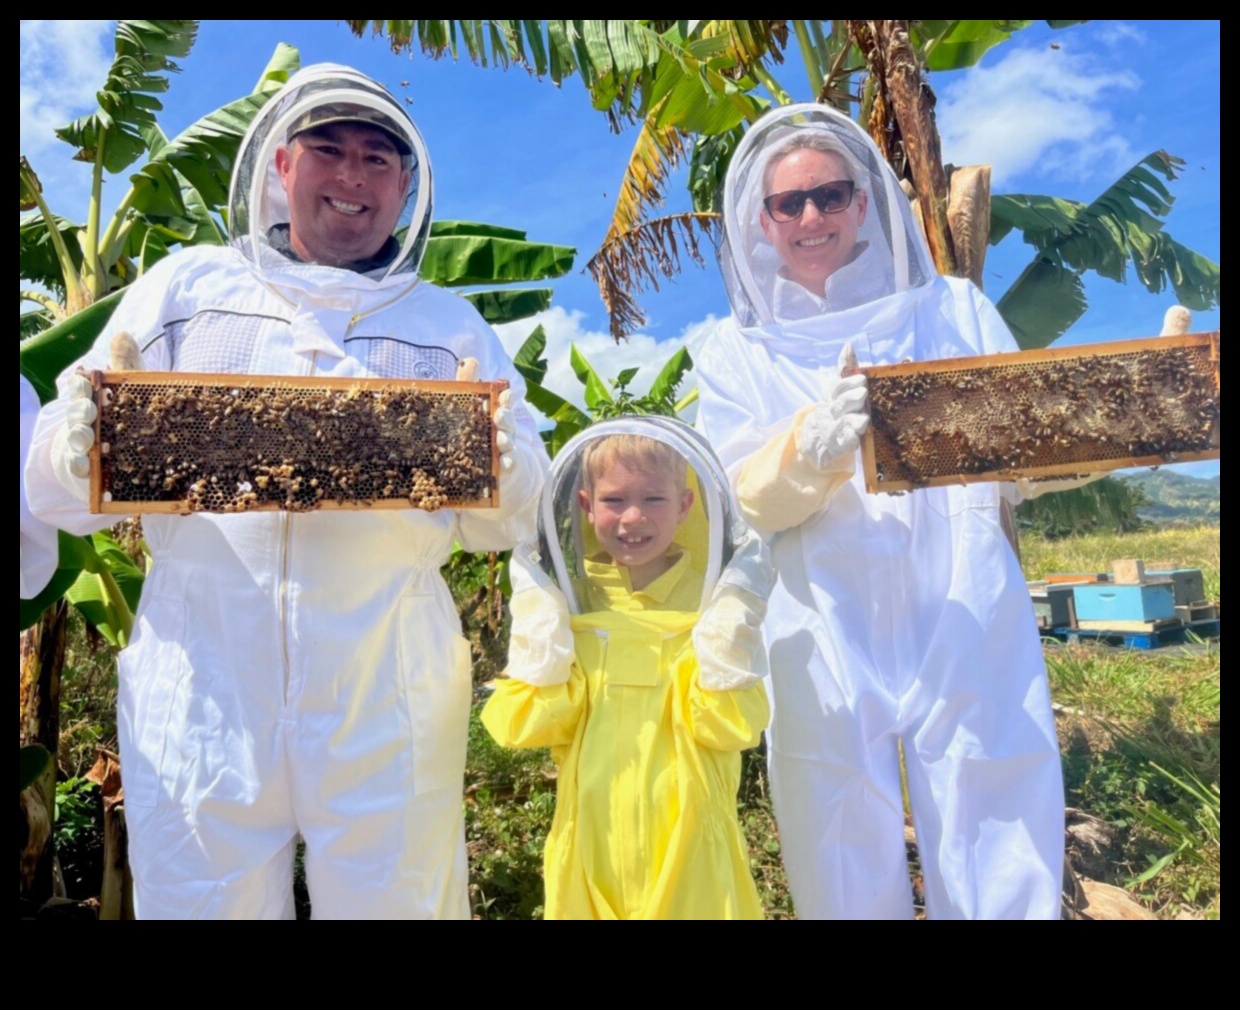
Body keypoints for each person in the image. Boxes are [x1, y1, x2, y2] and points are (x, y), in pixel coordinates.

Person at [23, 64, 547, 919]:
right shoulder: (184, 292)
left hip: (389, 692)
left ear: (406, 186)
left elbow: (515, 522)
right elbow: (58, 496)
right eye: (328, 151)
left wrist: (505, 465)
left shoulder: (449, 326)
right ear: (279, 167)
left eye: (377, 159)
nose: (352, 176)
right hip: (201, 690)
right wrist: (74, 446)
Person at [694, 104, 1086, 920]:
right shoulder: (735, 353)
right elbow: (735, 499)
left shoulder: (952, 310)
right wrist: (812, 447)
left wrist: (1109, 424)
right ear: (759, 221)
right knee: (833, 828)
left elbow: (1022, 454)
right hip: (819, 619)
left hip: (963, 599)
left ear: (864, 202)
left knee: (997, 807)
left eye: (830, 196)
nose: (810, 217)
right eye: (788, 203)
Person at [481, 418, 773, 919]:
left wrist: (728, 642)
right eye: (615, 500)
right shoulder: (573, 604)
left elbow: (727, 726)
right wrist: (539, 642)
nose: (633, 517)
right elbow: (531, 726)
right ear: (586, 505)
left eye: (654, 499)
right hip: (591, 842)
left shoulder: (708, 604)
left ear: (685, 506)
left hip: (689, 846)